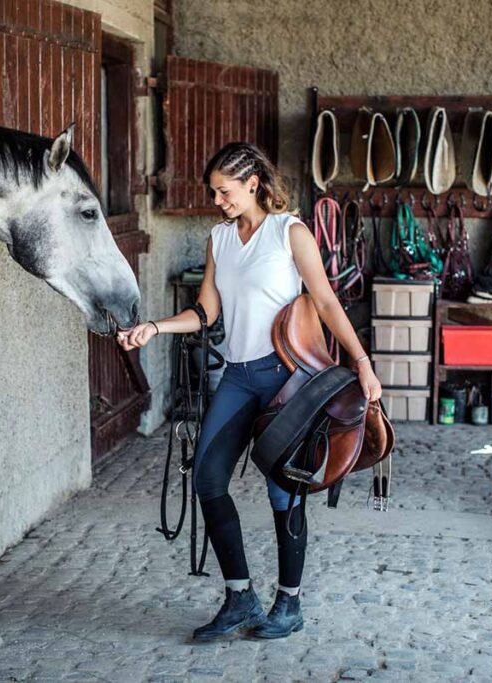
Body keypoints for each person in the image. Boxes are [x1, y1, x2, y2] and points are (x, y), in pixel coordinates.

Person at [117, 142, 382, 641]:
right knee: (207, 481)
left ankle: (290, 602)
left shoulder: (290, 232)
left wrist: (362, 363)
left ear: (253, 182)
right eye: (215, 193)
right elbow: (207, 311)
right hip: (238, 377)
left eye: (226, 191)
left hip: (289, 380)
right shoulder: (220, 238)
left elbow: (324, 300)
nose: (219, 201)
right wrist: (154, 328)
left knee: (285, 490)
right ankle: (240, 597)